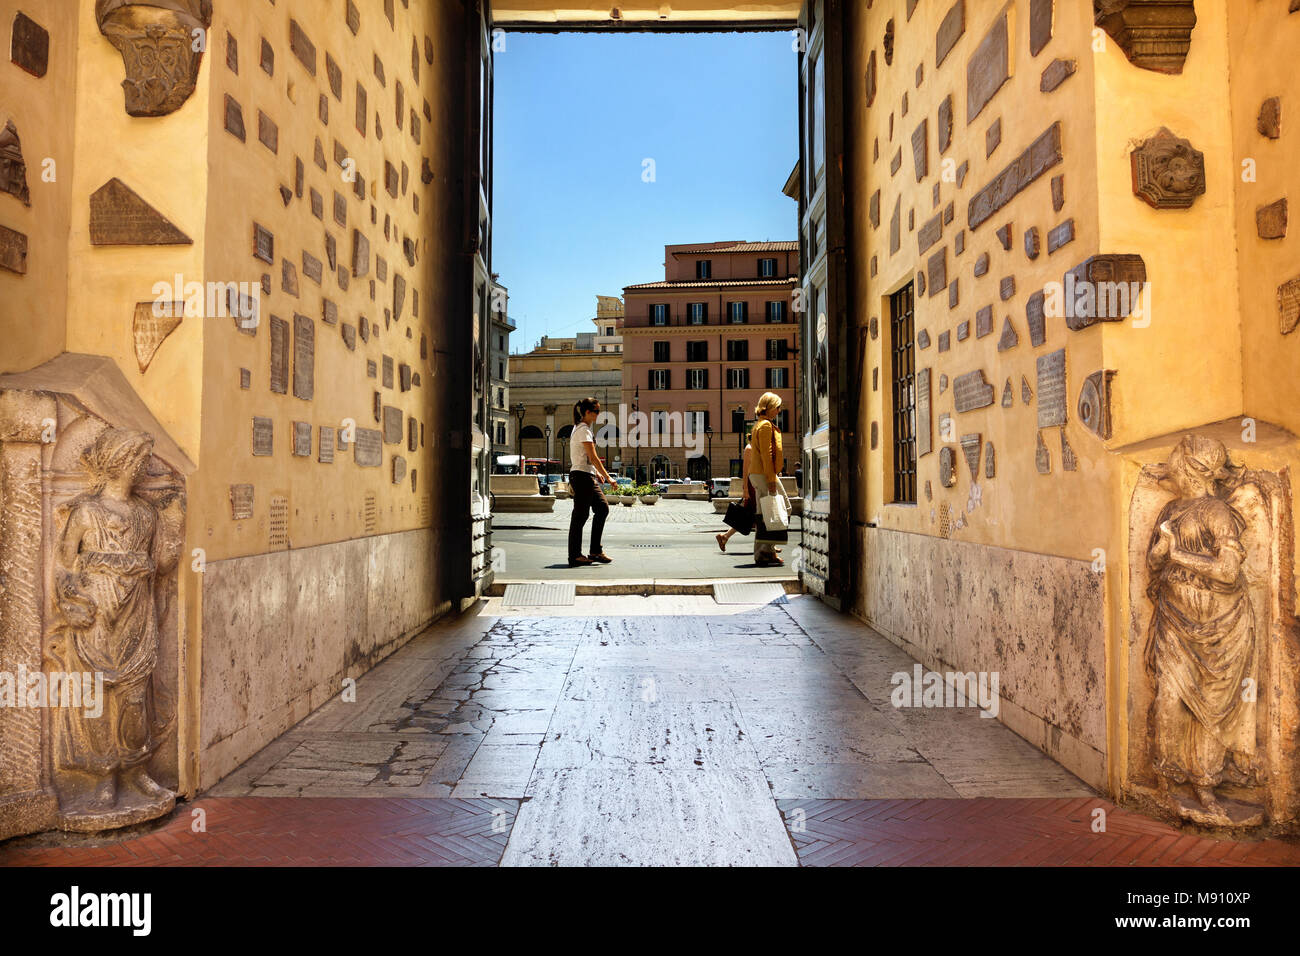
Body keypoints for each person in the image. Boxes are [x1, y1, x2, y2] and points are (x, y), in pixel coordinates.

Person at [567, 397, 615, 567]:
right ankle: (575, 556)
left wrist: (597, 473)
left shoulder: (583, 429)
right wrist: (608, 476)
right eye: (596, 411)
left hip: (586, 475)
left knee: (602, 508)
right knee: (580, 516)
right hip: (581, 476)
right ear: (587, 412)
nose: (598, 414)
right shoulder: (583, 430)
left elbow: (588, 458)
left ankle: (595, 551)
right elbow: (593, 457)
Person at [748, 392, 792, 566]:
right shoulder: (766, 425)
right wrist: (772, 481)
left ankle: (763, 553)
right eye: (778, 407)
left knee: (763, 514)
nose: (779, 411)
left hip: (757, 473)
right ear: (770, 407)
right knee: (785, 507)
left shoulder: (758, 424)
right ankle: (767, 550)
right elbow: (768, 454)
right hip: (764, 473)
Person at [716, 442, 754, 552]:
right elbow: (746, 471)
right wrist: (746, 489)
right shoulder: (750, 448)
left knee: (750, 516)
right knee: (754, 515)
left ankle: (725, 537)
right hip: (753, 486)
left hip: (754, 485)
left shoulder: (754, 448)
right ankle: (768, 546)